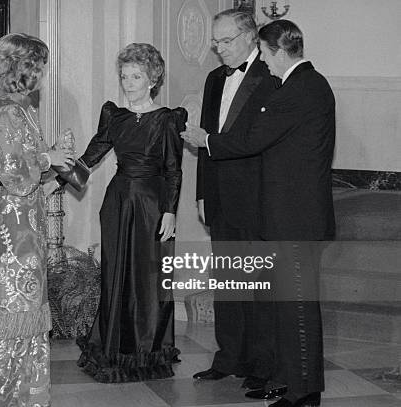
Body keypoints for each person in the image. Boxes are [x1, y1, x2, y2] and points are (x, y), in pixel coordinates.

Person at [185, 20, 335, 407]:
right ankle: (290, 382)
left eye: (265, 55)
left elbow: (253, 139)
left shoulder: (300, 88)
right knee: (289, 307)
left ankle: (304, 392)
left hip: (295, 218)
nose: (264, 63)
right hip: (287, 216)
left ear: (277, 51)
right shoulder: (302, 86)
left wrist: (207, 140)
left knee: (296, 309)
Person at [0, 33, 74, 407]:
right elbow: (12, 171)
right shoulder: (6, 109)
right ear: (24, 68)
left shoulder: (19, 106)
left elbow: (23, 160)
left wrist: (51, 158)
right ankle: (0, 393)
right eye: (39, 65)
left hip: (25, 216)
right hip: (13, 221)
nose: (42, 72)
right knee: (11, 302)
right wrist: (49, 158)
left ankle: (22, 391)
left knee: (23, 304)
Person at [75, 43, 186, 383]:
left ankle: (147, 347)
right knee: (115, 273)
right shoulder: (115, 116)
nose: (129, 82)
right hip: (118, 201)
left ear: (153, 79)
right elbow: (91, 156)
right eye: (124, 75)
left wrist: (170, 212)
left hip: (152, 204)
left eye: (136, 76)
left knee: (150, 278)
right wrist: (57, 171)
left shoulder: (167, 119)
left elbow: (174, 170)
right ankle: (114, 345)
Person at [182, 9, 278, 391]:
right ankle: (229, 357)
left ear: (249, 37)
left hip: (256, 197)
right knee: (227, 281)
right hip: (219, 195)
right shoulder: (213, 79)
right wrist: (202, 193)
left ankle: (262, 362)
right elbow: (206, 141)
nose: (218, 49)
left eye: (225, 41)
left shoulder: (271, 79)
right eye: (215, 42)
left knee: (257, 283)